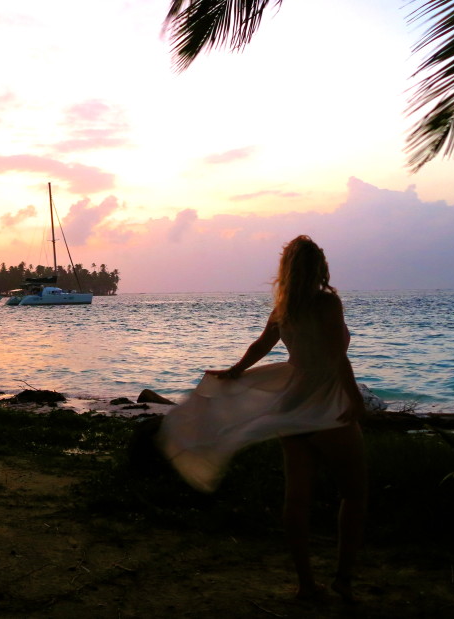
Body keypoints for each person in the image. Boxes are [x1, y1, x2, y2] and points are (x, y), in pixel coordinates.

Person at [157, 235, 367, 602]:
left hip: (292, 407)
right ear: (320, 266)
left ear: (286, 270)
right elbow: (336, 357)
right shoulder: (327, 303)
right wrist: (355, 399)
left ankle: (306, 584)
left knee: (296, 498)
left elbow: (261, 346)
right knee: (354, 494)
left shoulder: (285, 309)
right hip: (327, 408)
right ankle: (343, 581)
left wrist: (235, 371)